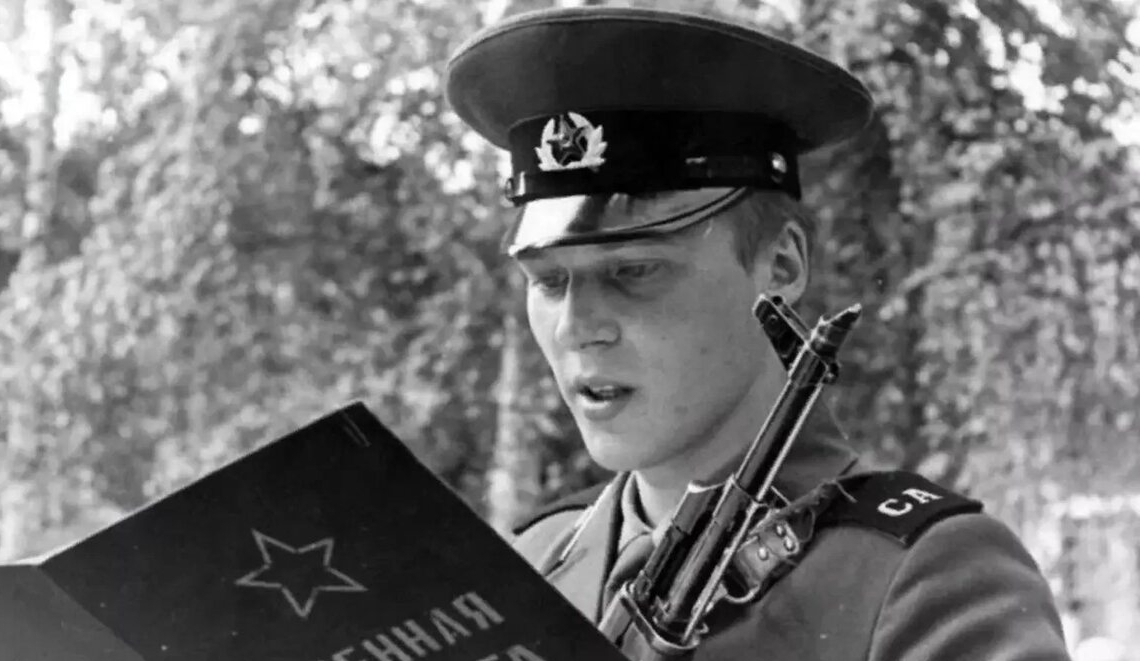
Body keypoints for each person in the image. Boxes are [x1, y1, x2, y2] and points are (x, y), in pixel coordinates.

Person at [444, 5, 1071, 659]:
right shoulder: (529, 565)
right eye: (549, 281)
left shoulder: (925, 576)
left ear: (782, 266)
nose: (578, 327)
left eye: (633, 271)